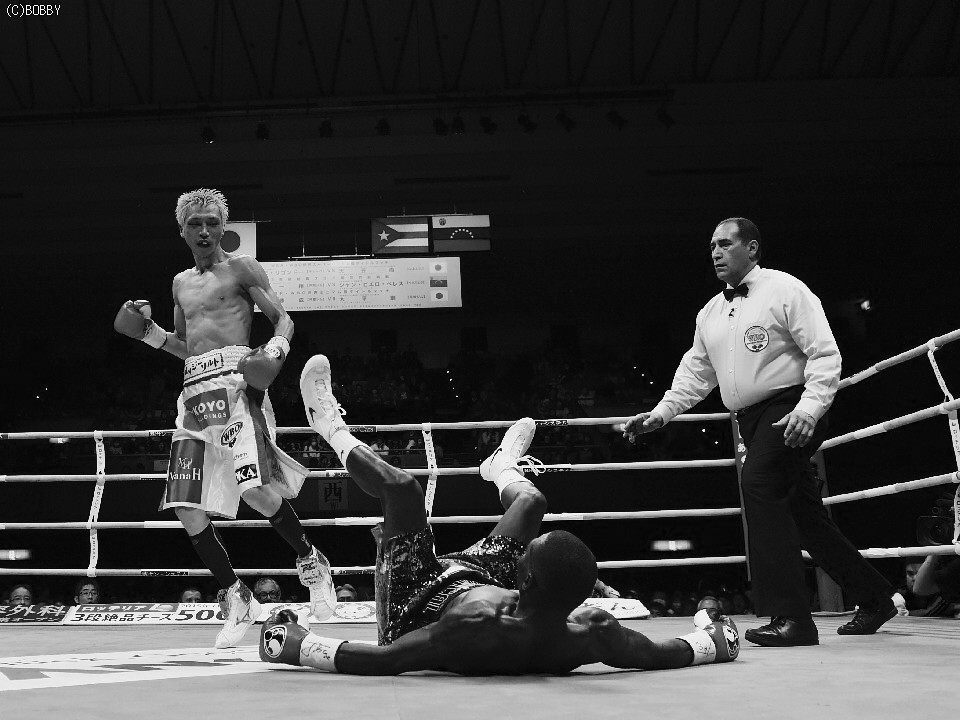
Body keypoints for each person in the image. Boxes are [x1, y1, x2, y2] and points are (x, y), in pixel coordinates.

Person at [257, 355, 739, 675]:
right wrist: (717, 640)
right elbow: (664, 653)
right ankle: (501, 465)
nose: (521, 552)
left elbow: (383, 660)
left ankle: (329, 426)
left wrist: (295, 644)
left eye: (527, 555)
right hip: (477, 579)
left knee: (403, 490)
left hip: (416, 602)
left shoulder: (477, 627)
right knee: (532, 504)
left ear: (525, 578)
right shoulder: (593, 631)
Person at [623, 217, 896, 647]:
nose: (716, 252)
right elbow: (696, 373)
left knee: (760, 483)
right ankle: (875, 597)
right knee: (804, 515)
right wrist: (661, 413)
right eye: (712, 246)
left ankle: (792, 618)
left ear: (751, 248)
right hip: (751, 420)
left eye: (725, 244)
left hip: (790, 406)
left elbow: (824, 354)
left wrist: (810, 408)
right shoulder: (711, 312)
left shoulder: (786, 290)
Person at [113, 188, 336, 648]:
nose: (204, 231)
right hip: (194, 395)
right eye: (195, 224)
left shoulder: (242, 268)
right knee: (185, 506)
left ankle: (312, 562)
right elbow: (183, 345)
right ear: (182, 230)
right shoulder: (179, 283)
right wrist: (148, 333)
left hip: (237, 387)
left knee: (254, 492)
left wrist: (275, 351)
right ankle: (238, 597)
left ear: (223, 227)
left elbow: (283, 319)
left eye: (212, 223)